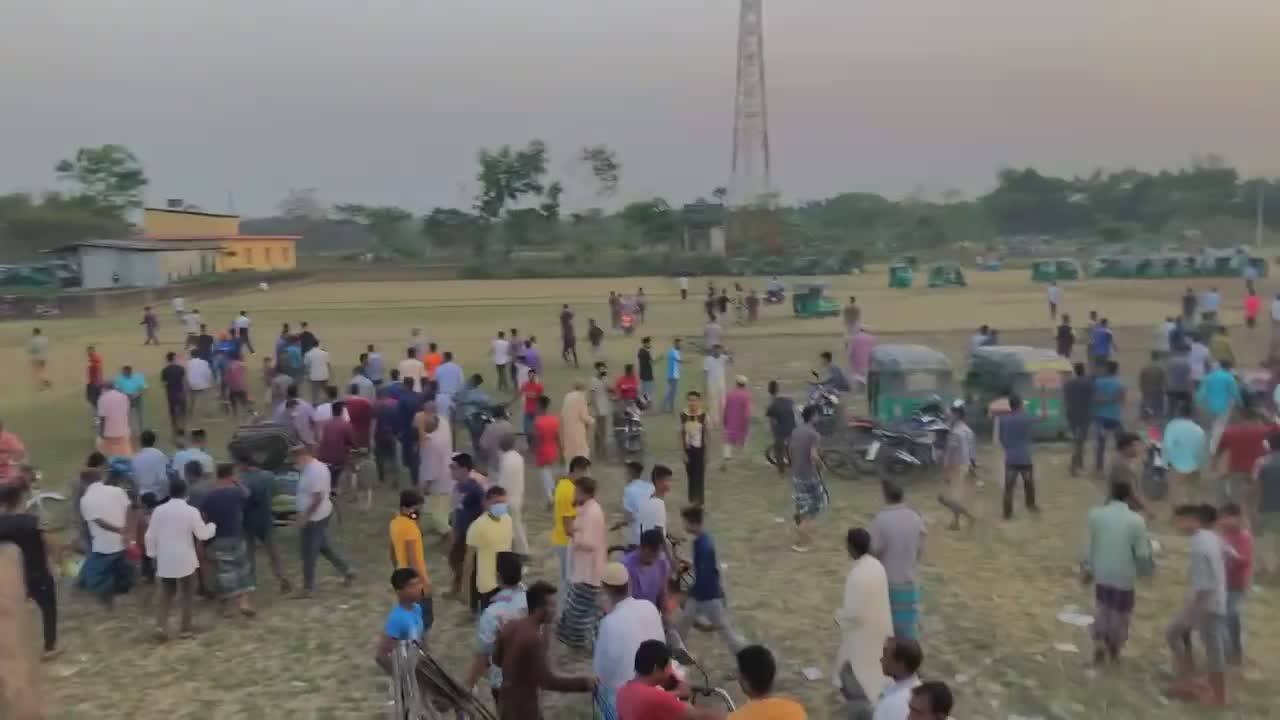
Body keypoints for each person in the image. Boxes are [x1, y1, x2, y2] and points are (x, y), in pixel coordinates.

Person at [492, 581, 595, 719]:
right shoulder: (534, 639)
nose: (555, 609)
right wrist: (585, 683)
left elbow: (496, 660)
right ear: (539, 609)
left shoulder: (510, 626)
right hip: (524, 712)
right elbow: (547, 681)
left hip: (505, 706)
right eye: (552, 605)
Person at [1081, 480, 1152, 664]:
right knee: (1121, 613)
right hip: (1124, 575)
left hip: (1102, 572)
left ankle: (1099, 641)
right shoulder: (1136, 521)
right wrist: (1146, 572)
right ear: (1129, 497)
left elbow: (1089, 545)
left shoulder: (1096, 515)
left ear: (1110, 494)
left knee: (1102, 607)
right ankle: (1114, 647)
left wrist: (1087, 568)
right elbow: (1142, 553)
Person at [1166, 504, 1229, 706]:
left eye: (1180, 520)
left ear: (1192, 520)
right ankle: (1189, 682)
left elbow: (1203, 585)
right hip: (1217, 598)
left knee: (1178, 634)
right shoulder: (1212, 536)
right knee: (1184, 635)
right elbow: (1229, 555)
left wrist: (1189, 612)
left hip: (1207, 604)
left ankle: (1215, 695)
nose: (1178, 525)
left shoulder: (1199, 543)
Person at [144, 475, 215, 639]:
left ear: (169, 492)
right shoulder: (191, 511)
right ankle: (185, 628)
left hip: (165, 558)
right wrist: (212, 526)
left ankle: (160, 626)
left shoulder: (158, 511)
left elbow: (150, 536)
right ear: (186, 492)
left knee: (166, 593)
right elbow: (203, 535)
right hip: (185, 558)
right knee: (187, 593)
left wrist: (153, 555)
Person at [593, 561, 665, 719]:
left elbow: (601, 673)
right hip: (655, 687)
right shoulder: (649, 607)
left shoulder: (608, 623)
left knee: (598, 688)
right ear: (629, 584)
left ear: (606, 589)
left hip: (627, 700)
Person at [835, 528, 893, 720]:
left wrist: (839, 618)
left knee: (854, 672)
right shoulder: (877, 565)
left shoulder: (857, 575)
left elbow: (854, 614)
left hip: (861, 634)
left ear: (851, 548)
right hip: (880, 627)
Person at [676, 505, 748, 656]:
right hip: (703, 595)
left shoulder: (703, 545)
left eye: (685, 522)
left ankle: (744, 652)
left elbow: (704, 577)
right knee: (684, 621)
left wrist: (688, 592)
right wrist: (689, 563)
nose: (684, 526)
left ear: (693, 523)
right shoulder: (703, 540)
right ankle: (674, 650)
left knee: (725, 631)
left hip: (707, 597)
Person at [0, 481, 59, 659]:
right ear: (22, 499)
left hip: (11, 578)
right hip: (37, 573)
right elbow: (51, 544)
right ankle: (49, 648)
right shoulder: (33, 522)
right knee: (48, 608)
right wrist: (56, 563)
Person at [293, 442, 354, 597]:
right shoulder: (308, 469)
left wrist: (305, 517)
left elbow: (317, 497)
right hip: (316, 515)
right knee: (323, 547)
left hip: (315, 517)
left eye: (296, 457)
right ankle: (347, 570)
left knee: (308, 552)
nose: (294, 461)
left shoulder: (315, 471)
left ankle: (308, 588)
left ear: (304, 455)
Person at [466, 551, 527, 702]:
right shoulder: (532, 600)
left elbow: (483, 656)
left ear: (498, 577)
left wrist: (469, 684)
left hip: (504, 682)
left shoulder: (492, 614)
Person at [870, 481, 926, 639]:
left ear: (885, 496)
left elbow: (873, 549)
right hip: (909, 582)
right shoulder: (915, 517)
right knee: (906, 630)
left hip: (888, 583)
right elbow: (921, 544)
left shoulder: (881, 520)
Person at [199, 463, 256, 617]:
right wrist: (236, 482)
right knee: (241, 568)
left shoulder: (209, 496)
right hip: (235, 536)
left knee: (222, 573)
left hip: (217, 539)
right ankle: (243, 603)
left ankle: (225, 608)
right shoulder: (236, 492)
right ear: (231, 475)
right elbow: (248, 494)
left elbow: (203, 518)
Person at [616, 640, 721, 720]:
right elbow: (701, 716)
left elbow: (650, 701)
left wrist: (678, 693)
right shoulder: (655, 698)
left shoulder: (623, 691)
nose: (671, 670)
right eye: (669, 666)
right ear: (656, 668)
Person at [77, 466, 135, 607]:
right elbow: (128, 507)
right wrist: (126, 531)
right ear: (100, 478)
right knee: (120, 567)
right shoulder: (118, 491)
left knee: (96, 577)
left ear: (84, 482)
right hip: (121, 542)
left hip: (103, 545)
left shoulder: (86, 499)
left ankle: (106, 596)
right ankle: (122, 586)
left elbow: (98, 521)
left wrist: (119, 530)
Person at [559, 475, 606, 650]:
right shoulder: (585, 509)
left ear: (584, 493)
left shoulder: (592, 513)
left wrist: (573, 534)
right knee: (582, 614)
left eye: (576, 492)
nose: (574, 495)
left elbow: (590, 543)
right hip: (581, 571)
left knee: (579, 616)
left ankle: (581, 649)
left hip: (588, 574)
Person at [1214, 396, 1274, 521]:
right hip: (1257, 472)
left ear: (1241, 417)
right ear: (1256, 417)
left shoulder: (1230, 431)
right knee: (1254, 503)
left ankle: (1245, 528)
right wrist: (1266, 417)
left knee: (1240, 502)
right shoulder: (1264, 431)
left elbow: (1219, 451)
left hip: (1236, 471)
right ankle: (1254, 525)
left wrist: (1214, 466)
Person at [240, 460, 290, 593]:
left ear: (245, 464)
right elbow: (276, 493)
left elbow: (243, 501)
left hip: (249, 521)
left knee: (249, 554)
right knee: (273, 552)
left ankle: (250, 583)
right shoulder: (269, 476)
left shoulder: (244, 480)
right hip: (266, 518)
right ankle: (281, 577)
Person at [465, 486, 514, 613]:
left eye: (503, 502)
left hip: (505, 581)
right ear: (486, 503)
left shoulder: (508, 520)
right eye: (496, 503)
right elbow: (469, 560)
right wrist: (465, 590)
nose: (500, 506)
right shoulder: (478, 526)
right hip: (487, 585)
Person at [374, 568, 433, 673]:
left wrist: (427, 659)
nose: (419, 588)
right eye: (412, 586)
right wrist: (400, 675)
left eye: (419, 583)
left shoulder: (417, 608)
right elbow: (381, 656)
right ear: (399, 592)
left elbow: (421, 637)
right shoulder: (397, 619)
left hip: (420, 670)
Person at [999, 391, 1047, 518]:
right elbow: (1044, 417)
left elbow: (1001, 439)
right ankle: (1031, 505)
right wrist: (1043, 399)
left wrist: (1008, 448)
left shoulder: (1004, 419)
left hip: (1011, 458)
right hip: (1025, 458)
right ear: (1020, 405)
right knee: (1029, 484)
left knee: (1009, 487)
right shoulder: (1025, 417)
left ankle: (1007, 513)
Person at [788, 405, 830, 551]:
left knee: (802, 501)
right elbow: (813, 455)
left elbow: (791, 450)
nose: (819, 417)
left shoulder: (795, 431)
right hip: (809, 475)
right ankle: (803, 538)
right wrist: (822, 465)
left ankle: (800, 518)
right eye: (818, 414)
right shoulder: (814, 435)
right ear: (812, 416)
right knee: (817, 504)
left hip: (797, 475)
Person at [550, 455, 590, 603]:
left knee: (566, 579)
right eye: (584, 472)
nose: (586, 476)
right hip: (566, 542)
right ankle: (562, 611)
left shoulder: (564, 484)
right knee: (569, 581)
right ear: (577, 470)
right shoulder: (569, 492)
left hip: (562, 540)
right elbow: (568, 525)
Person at [1217, 503, 1252, 667]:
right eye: (1222, 518)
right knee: (1220, 617)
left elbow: (1245, 561)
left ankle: (1236, 649)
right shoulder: (1223, 536)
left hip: (1236, 585)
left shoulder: (1244, 537)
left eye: (1227, 518)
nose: (1224, 521)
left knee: (1231, 614)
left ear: (1237, 518)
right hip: (1222, 583)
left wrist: (1232, 555)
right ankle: (1226, 649)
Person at [447, 453, 486, 597]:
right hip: (460, 530)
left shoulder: (475, 489)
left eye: (453, 467)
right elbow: (456, 508)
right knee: (454, 559)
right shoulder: (457, 487)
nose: (450, 470)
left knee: (470, 563)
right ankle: (458, 585)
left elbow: (484, 509)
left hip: (472, 533)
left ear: (464, 469)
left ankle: (468, 591)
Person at [937, 403, 976, 528]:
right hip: (965, 466)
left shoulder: (955, 433)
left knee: (945, 497)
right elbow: (972, 452)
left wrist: (945, 471)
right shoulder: (968, 431)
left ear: (957, 415)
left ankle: (966, 518)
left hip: (956, 467)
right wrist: (972, 467)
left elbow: (949, 454)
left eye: (951, 413)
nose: (949, 415)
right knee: (956, 497)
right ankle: (958, 521)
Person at [1165, 402, 1208, 510]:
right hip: (1194, 466)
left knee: (1175, 492)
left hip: (1176, 465)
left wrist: (1166, 463)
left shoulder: (1172, 426)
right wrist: (1201, 466)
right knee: (1193, 491)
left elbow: (1167, 447)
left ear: (1178, 413)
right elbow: (1201, 452)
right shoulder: (1199, 430)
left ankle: (1176, 513)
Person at [389, 489, 430, 600]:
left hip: (402, 576)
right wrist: (424, 583)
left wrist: (398, 570)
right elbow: (413, 561)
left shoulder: (394, 523)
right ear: (404, 508)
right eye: (415, 510)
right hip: (414, 581)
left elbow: (392, 553)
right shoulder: (410, 528)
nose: (417, 513)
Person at [872, 638, 923, 720]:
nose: (881, 659)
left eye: (885, 655)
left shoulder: (894, 704)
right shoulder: (895, 682)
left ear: (900, 664)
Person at [1197, 360, 1241, 454]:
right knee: (1219, 428)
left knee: (1208, 427)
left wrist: (1198, 403)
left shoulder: (1209, 377)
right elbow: (1234, 393)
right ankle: (1213, 449)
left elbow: (1201, 393)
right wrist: (1240, 403)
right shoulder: (1229, 377)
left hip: (1209, 405)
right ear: (1229, 368)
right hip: (1224, 406)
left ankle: (1204, 446)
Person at [622, 528, 672, 608]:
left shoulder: (662, 562)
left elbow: (663, 592)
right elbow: (625, 599)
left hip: (652, 610)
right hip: (633, 611)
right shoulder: (627, 566)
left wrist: (664, 611)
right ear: (641, 548)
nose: (653, 559)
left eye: (656, 555)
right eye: (650, 555)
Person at [1255, 431, 1280, 578]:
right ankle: (1277, 569)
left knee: (1260, 538)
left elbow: (1256, 487)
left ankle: (1261, 567)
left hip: (1265, 505)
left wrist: (1252, 506)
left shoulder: (1262, 462)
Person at [679, 391, 709, 505]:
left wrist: (707, 453)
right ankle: (692, 500)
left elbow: (707, 435)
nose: (692, 403)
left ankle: (699, 502)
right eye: (690, 400)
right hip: (688, 450)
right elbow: (681, 433)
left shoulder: (703, 416)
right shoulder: (683, 415)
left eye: (695, 400)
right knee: (690, 476)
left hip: (700, 450)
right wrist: (683, 452)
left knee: (699, 476)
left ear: (699, 402)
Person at [532, 395, 561, 504]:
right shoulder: (554, 419)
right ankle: (554, 491)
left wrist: (535, 450)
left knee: (544, 474)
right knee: (549, 472)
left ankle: (550, 498)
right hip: (553, 448)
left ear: (539, 406)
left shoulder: (538, 422)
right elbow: (557, 436)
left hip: (542, 450)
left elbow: (537, 439)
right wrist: (559, 448)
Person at [765, 381, 796, 478]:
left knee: (779, 451)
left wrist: (773, 432)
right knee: (791, 449)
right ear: (778, 389)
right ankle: (794, 466)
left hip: (781, 431)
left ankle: (781, 472)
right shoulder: (787, 400)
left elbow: (773, 421)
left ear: (769, 391)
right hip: (792, 427)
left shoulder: (772, 405)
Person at [721, 375, 752, 469]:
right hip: (741, 421)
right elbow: (747, 412)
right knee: (743, 439)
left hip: (730, 420)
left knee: (728, 440)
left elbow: (725, 408)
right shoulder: (746, 396)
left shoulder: (730, 394)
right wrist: (747, 423)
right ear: (745, 385)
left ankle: (726, 457)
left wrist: (724, 420)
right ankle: (744, 459)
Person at [561, 379, 595, 462]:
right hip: (577, 430)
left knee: (570, 454)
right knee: (581, 452)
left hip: (567, 430)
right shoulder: (580, 397)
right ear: (583, 388)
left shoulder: (567, 396)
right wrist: (592, 421)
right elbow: (583, 416)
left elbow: (562, 413)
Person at [95, 383, 133, 457]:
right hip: (123, 432)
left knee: (101, 446)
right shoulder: (124, 396)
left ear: (104, 388)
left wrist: (101, 434)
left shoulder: (102, 398)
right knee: (126, 456)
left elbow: (102, 418)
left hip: (109, 435)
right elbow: (127, 413)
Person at [114, 364, 148, 431]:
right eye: (124, 372)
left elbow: (144, 388)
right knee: (125, 416)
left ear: (130, 372)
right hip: (125, 399)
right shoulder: (119, 379)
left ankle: (142, 430)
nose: (125, 374)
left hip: (138, 398)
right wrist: (125, 395)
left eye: (127, 372)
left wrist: (137, 394)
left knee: (140, 415)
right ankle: (126, 431)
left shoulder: (138, 377)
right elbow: (117, 389)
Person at [589, 363, 612, 459]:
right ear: (597, 370)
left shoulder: (605, 379)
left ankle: (602, 452)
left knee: (603, 432)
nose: (603, 371)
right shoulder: (593, 381)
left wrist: (606, 382)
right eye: (601, 369)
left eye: (604, 369)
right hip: (598, 411)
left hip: (605, 409)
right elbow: (592, 397)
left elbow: (610, 390)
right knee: (598, 433)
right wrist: (596, 409)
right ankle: (600, 452)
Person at [1139, 351, 1167, 420]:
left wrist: (1142, 388)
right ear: (1158, 357)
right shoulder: (1160, 368)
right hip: (1157, 390)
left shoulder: (1145, 368)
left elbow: (1142, 379)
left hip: (1147, 389)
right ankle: (1157, 418)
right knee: (1158, 406)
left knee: (1147, 403)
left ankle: (1146, 416)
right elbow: (1163, 380)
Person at [519, 368, 545, 439]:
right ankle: (530, 444)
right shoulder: (525, 385)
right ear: (528, 376)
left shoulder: (539, 386)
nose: (531, 377)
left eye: (533, 375)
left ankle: (535, 444)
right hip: (527, 410)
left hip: (536, 411)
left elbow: (541, 399)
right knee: (526, 429)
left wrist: (542, 410)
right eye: (530, 375)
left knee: (536, 430)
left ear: (535, 376)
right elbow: (519, 394)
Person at [663, 338, 684, 414]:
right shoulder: (673, 352)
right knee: (672, 392)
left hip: (674, 375)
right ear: (675, 344)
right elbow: (679, 361)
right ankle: (665, 406)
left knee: (672, 392)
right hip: (672, 375)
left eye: (680, 344)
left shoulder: (676, 352)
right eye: (679, 344)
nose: (680, 345)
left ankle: (669, 407)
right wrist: (688, 361)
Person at [637, 337, 657, 402]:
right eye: (648, 343)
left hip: (643, 373)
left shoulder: (640, 351)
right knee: (648, 388)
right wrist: (659, 358)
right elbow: (652, 362)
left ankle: (643, 400)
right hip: (647, 373)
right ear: (645, 343)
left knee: (643, 388)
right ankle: (646, 400)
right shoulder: (646, 352)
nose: (649, 344)